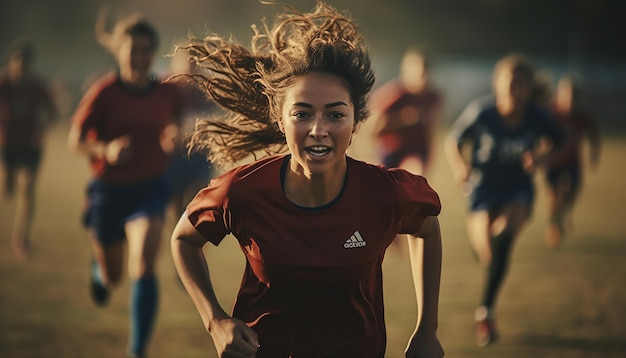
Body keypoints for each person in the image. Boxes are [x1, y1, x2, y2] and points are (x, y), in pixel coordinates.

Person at [170, 2, 444, 357]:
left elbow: (428, 228)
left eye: (335, 114)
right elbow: (184, 239)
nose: (319, 130)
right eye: (302, 113)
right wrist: (215, 320)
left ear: (356, 123)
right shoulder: (242, 191)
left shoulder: (385, 194)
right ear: (281, 120)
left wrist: (427, 329)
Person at [67, 12, 183, 358]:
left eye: (147, 50)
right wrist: (106, 149)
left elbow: (174, 121)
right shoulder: (104, 92)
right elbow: (75, 140)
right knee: (114, 277)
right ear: (119, 52)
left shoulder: (167, 92)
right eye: (133, 49)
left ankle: (137, 350)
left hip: (150, 187)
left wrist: (172, 136)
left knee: (145, 265)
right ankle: (99, 271)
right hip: (110, 191)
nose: (140, 57)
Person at [443, 53, 567, 347]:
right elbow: (454, 140)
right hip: (483, 190)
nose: (516, 90)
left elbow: (563, 140)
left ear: (528, 89)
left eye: (522, 84)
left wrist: (543, 156)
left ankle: (485, 312)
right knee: (489, 255)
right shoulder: (483, 113)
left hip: (517, 190)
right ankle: (489, 284)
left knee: (503, 237)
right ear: (497, 85)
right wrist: (461, 168)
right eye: (511, 83)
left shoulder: (536, 116)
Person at [0, 38, 57, 260]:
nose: (20, 67)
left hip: (31, 145)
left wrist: (41, 129)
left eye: (24, 63)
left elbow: (52, 111)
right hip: (8, 144)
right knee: (7, 191)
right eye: (17, 62)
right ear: (11, 62)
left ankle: (21, 237)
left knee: (28, 190)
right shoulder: (3, 84)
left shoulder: (37, 87)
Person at [543, 75, 600, 249]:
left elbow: (593, 135)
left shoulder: (581, 117)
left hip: (573, 161)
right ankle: (555, 226)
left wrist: (594, 155)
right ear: (559, 94)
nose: (571, 99)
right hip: (553, 161)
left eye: (575, 96)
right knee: (554, 197)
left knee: (572, 193)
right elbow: (538, 132)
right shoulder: (550, 113)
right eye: (568, 94)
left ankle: (564, 214)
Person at [369, 47, 443, 176]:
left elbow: (431, 128)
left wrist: (430, 153)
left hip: (416, 151)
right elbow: (372, 129)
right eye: (418, 72)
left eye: (425, 71)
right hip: (392, 151)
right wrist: (403, 120)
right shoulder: (394, 95)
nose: (422, 77)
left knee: (413, 178)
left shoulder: (432, 96)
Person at [164, 48, 217, 218]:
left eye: (195, 63)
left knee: (197, 204)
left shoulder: (206, 90)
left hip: (200, 155)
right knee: (176, 206)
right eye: (187, 63)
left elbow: (216, 118)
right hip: (174, 156)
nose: (191, 68)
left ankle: (193, 239)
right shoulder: (166, 88)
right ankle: (180, 238)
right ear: (176, 64)